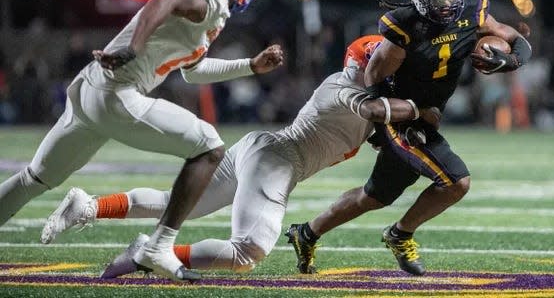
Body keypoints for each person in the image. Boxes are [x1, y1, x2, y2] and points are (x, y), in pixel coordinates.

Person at [0, 0, 285, 281]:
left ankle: (153, 244)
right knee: (209, 147)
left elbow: (192, 73)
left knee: (35, 177)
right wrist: (135, 48)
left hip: (92, 91)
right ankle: (158, 247)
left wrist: (250, 66)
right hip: (117, 94)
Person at [41, 35, 439, 278]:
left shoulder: (353, 86)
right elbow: (372, 112)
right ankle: (148, 256)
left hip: (263, 149)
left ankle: (89, 207)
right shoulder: (348, 91)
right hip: (278, 161)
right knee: (248, 251)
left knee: (177, 205)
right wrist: (421, 107)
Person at [286, 0, 532, 276]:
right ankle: (400, 234)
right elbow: (374, 78)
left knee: (375, 196)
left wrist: (509, 61)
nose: (448, 1)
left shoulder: (472, 9)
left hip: (429, 112)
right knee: (456, 181)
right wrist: (389, 120)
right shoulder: (404, 26)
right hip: (405, 116)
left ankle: (306, 233)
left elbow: (518, 42)